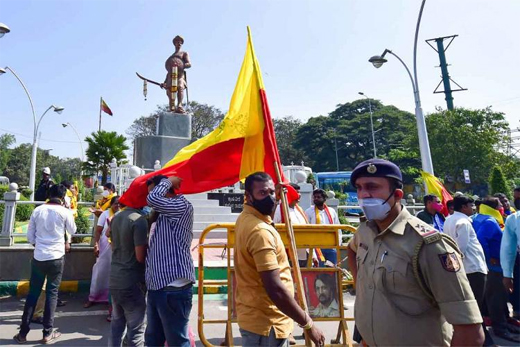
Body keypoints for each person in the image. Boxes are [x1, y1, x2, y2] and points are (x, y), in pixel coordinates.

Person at [346, 158, 483, 346]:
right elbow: (352, 250)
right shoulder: (366, 231)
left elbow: (470, 332)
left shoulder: (429, 245)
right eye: (359, 188)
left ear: (397, 195)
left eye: (372, 187)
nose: (364, 195)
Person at [235, 172, 325, 346]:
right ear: (248, 196)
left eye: (271, 192)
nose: (269, 198)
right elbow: (275, 289)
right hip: (268, 324)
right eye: (262, 193)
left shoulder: (246, 219)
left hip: (256, 318)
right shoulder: (260, 231)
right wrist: (308, 324)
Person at [14, 184, 77, 344]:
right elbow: (73, 230)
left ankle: (22, 334)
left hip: (39, 257)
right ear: (63, 197)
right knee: (52, 294)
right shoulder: (64, 211)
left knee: (33, 294)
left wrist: (40, 245)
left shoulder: (38, 210)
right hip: (56, 258)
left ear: (49, 195)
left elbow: (30, 237)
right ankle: (47, 333)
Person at [145, 175, 195, 347]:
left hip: (173, 287)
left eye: (153, 190)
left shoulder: (181, 206)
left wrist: (168, 181)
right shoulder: (162, 215)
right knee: (153, 340)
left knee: (177, 342)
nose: (149, 198)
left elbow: (153, 198)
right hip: (157, 287)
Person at [443, 196, 494, 345]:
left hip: (465, 269)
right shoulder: (463, 222)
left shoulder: (449, 220)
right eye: (471, 205)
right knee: (476, 307)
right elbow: (461, 248)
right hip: (473, 269)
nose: (473, 208)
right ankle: (482, 340)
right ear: (464, 207)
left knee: (473, 306)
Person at [474, 197, 520, 342]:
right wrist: (488, 260)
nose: (502, 206)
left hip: (497, 266)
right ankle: (501, 329)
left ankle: (505, 323)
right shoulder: (490, 221)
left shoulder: (480, 218)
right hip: (495, 267)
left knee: (499, 298)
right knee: (497, 299)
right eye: (500, 204)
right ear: (493, 207)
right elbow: (481, 241)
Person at [109, 201, 148, 347]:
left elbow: (113, 246)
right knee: (136, 330)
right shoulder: (138, 220)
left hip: (115, 277)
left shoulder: (116, 217)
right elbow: (139, 257)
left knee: (116, 326)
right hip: (131, 280)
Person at [85, 196, 120, 309]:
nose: (117, 206)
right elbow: (98, 231)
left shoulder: (121, 215)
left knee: (114, 275)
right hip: (104, 247)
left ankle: (110, 301)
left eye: (119, 204)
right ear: (111, 204)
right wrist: (96, 244)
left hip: (117, 249)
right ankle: (93, 297)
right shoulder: (105, 214)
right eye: (115, 204)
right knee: (99, 272)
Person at [273, 183, 316, 268]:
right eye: (295, 192)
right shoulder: (279, 210)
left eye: (299, 192)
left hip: (304, 254)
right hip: (288, 255)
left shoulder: (299, 210)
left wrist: (314, 255)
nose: (299, 195)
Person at [305, 189, 340, 266]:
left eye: (318, 197)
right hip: (316, 247)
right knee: (319, 269)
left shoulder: (331, 211)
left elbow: (338, 227)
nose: (316, 199)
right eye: (314, 197)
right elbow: (306, 230)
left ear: (324, 199)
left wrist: (338, 244)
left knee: (332, 269)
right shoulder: (309, 212)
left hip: (331, 246)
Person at [162, 35, 191, 113]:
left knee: (180, 87)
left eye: (180, 42)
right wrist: (164, 82)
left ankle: (179, 105)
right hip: (171, 76)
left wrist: (181, 65)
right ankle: (172, 105)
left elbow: (189, 64)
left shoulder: (184, 53)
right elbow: (169, 71)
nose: (179, 44)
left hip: (180, 75)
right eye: (177, 42)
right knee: (169, 90)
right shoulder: (171, 57)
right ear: (174, 44)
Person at [501, 199, 520, 321]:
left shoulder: (514, 219)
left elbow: (508, 248)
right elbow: (508, 248)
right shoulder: (513, 219)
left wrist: (507, 274)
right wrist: (507, 274)